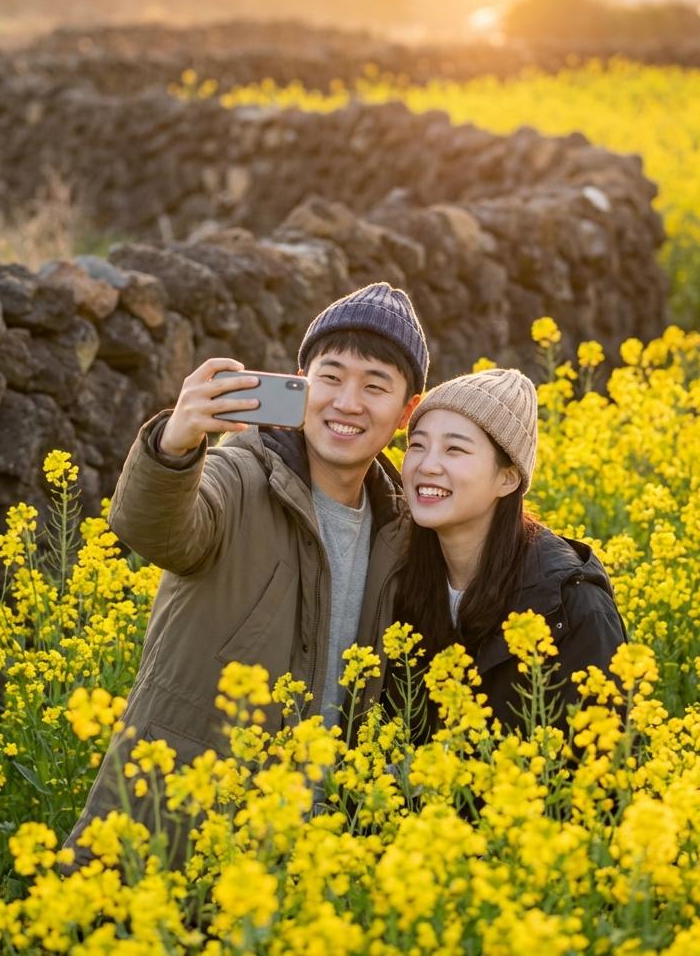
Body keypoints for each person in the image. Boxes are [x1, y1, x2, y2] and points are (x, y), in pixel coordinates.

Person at [62, 282, 427, 869]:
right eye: (330, 377)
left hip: (316, 846)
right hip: (182, 820)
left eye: (375, 386)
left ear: (407, 411)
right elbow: (153, 529)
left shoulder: (404, 532)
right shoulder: (239, 472)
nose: (347, 402)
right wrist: (177, 443)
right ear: (298, 381)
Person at [395, 367, 627, 738]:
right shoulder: (397, 576)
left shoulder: (571, 603)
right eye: (417, 445)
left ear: (508, 478)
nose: (427, 465)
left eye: (454, 449)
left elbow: (606, 769)